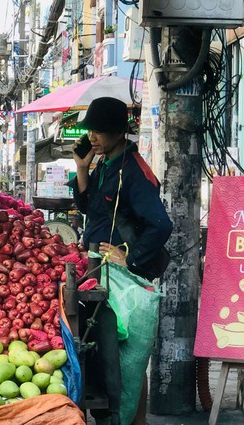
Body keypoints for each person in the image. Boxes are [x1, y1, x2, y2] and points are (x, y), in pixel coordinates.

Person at [67, 97, 172, 425]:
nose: (93, 137)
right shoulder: (104, 165)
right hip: (99, 272)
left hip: (124, 278)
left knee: (128, 357)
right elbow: (89, 210)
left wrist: (131, 258)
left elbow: (161, 224)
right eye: (90, 131)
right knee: (108, 355)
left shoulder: (134, 171)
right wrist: (82, 170)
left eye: (99, 131)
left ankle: (135, 421)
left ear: (117, 132)